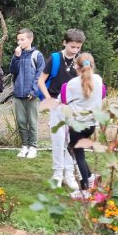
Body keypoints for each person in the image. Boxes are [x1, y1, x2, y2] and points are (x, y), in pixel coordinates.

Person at [38, 29, 85, 189]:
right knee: (58, 139)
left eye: (78, 47)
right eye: (72, 46)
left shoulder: (81, 60)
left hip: (74, 104)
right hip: (57, 102)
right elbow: (41, 81)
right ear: (64, 43)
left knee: (71, 140)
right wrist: (48, 98)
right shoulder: (55, 58)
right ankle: (57, 173)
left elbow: (86, 81)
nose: (75, 50)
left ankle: (69, 174)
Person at [60, 52, 104, 197]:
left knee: (78, 154)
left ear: (76, 67)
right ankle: (91, 176)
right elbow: (102, 94)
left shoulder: (71, 84)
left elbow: (64, 101)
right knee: (75, 150)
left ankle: (85, 188)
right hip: (91, 125)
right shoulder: (98, 79)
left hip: (77, 124)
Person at [9, 28, 44, 159]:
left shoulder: (37, 55)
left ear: (30, 39)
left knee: (32, 121)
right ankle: (24, 146)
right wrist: (16, 57)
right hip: (18, 93)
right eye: (18, 39)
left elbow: (39, 75)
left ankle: (33, 147)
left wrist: (34, 91)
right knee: (21, 121)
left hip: (31, 95)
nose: (19, 42)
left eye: (22, 39)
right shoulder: (18, 55)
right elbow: (13, 70)